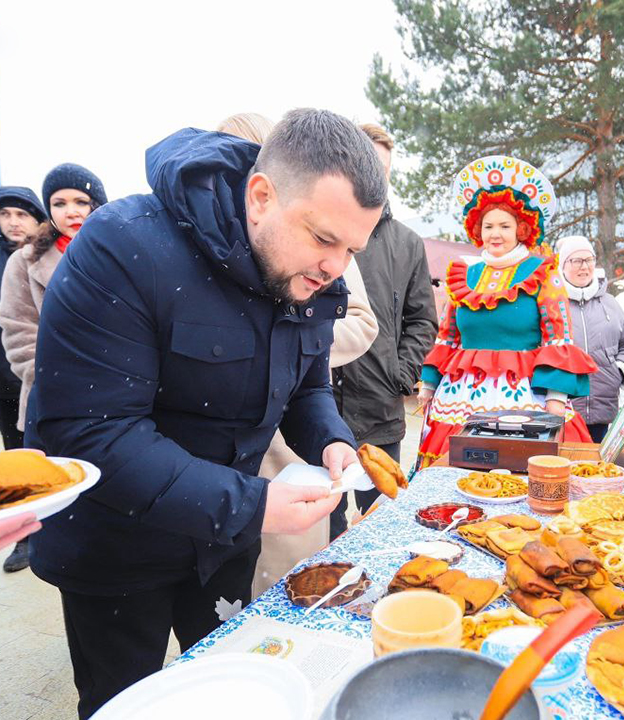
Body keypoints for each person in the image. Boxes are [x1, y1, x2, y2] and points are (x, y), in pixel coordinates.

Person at [25, 109, 387, 718]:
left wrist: (331, 442)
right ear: (262, 195)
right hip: (117, 549)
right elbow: (93, 432)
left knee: (235, 696)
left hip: (221, 544)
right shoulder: (125, 245)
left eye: (352, 249)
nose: (334, 268)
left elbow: (308, 387)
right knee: (125, 704)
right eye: (325, 239)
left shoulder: (314, 278)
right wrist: (254, 505)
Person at [212, 113, 380, 596]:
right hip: (194, 495)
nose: (335, 264)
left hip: (280, 448)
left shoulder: (328, 253)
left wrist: (328, 434)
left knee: (280, 583)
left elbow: (324, 357)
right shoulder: (165, 250)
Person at [417, 156, 596, 465]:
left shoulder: (542, 272)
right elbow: (447, 336)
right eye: (488, 226)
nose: (495, 233)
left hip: (526, 398)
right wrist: (429, 383)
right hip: (459, 397)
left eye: (504, 225)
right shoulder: (463, 273)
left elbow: (558, 338)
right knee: (457, 472)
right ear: (477, 229)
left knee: (525, 472)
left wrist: (555, 398)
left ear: (521, 229)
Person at [331, 123, 437, 538]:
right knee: (325, 531)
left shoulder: (408, 243)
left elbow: (422, 320)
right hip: (320, 412)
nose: (375, 175)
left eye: (384, 169)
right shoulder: (321, 231)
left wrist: (400, 371)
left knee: (381, 527)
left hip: (380, 409)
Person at [0, 167, 106, 574]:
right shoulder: (24, 262)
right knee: (58, 494)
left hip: (120, 397)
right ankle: (40, 546)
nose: (71, 211)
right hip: (53, 399)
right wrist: (56, 383)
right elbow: (19, 335)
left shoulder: (115, 253)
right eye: (60, 203)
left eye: (81, 201)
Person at [558, 235, 624, 443]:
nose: (584, 266)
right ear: (563, 266)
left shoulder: (609, 303)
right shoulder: (553, 304)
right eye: (576, 261)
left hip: (603, 403)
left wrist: (618, 370)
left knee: (595, 467)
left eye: (589, 260)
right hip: (563, 406)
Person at [0, 186, 45, 452]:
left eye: (21, 214)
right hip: (4, 381)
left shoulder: (47, 256)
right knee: (19, 455)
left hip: (38, 376)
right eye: (5, 213)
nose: (13, 222)